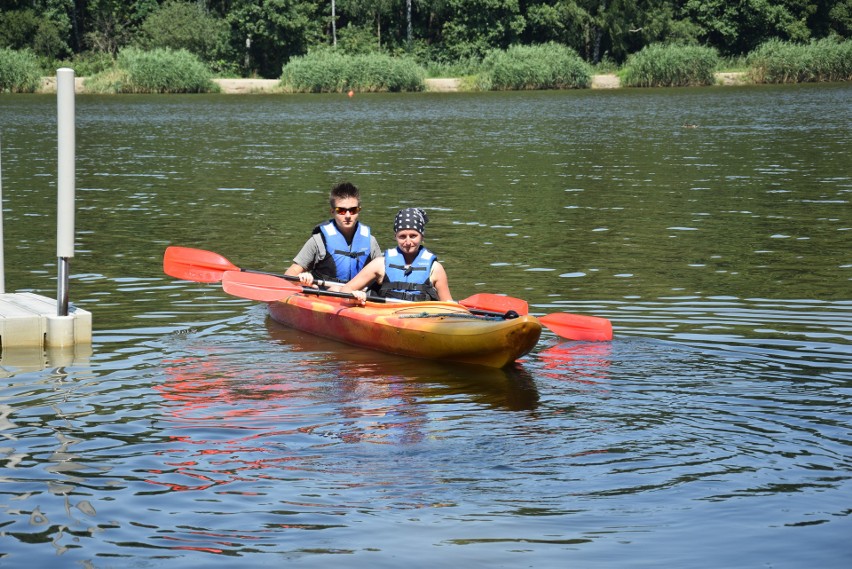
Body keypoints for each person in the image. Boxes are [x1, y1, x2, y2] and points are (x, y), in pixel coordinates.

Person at [339, 207, 453, 304]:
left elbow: (448, 306)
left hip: (421, 319)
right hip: (386, 318)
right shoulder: (380, 264)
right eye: (402, 236)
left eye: (413, 236)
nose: (408, 242)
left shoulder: (435, 269)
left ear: (422, 236)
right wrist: (355, 294)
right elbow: (345, 290)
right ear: (395, 236)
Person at [285, 182, 382, 287]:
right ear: (332, 211)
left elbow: (383, 276)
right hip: (324, 296)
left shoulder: (370, 242)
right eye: (341, 211)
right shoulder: (318, 241)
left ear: (359, 210)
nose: (348, 216)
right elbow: (289, 275)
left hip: (359, 296)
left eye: (353, 210)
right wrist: (302, 278)